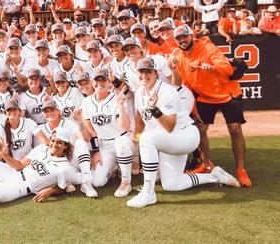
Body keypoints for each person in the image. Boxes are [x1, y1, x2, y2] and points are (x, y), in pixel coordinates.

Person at [126, 57, 240, 208]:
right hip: (168, 139)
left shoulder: (167, 91)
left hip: (184, 136)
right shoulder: (140, 91)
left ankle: (148, 193)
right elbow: (140, 114)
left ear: (155, 73)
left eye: (148, 72)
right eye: (141, 72)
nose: (144, 75)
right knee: (172, 184)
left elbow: (170, 127)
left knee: (147, 138)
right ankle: (213, 177)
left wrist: (155, 110)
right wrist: (137, 132)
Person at [172, 25, 252, 187]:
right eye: (178, 38)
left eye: (184, 37)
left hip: (228, 93)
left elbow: (227, 69)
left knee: (235, 129)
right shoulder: (179, 57)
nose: (182, 40)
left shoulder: (208, 47)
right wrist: (193, 109)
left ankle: (241, 169)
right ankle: (206, 164)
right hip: (205, 97)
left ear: (191, 36)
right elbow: (185, 85)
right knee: (199, 128)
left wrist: (212, 68)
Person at [80, 68, 135, 197]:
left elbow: (125, 127)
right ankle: (114, 167)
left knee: (122, 144)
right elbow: (90, 128)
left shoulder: (117, 98)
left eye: (103, 80)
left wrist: (121, 106)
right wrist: (96, 151)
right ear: (92, 83)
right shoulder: (87, 102)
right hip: (104, 145)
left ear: (109, 82)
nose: (100, 83)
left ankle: (126, 182)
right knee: (97, 182)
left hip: (122, 139)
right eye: (97, 80)